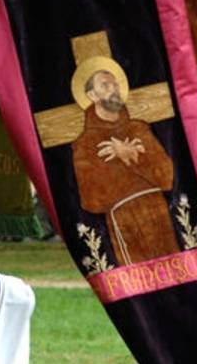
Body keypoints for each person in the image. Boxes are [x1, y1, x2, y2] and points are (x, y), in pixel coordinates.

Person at [71, 62, 179, 263]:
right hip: (124, 221)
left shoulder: (139, 129)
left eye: (116, 84)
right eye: (105, 85)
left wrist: (133, 157)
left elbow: (167, 175)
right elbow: (90, 199)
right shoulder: (85, 143)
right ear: (92, 96)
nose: (114, 89)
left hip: (160, 215)